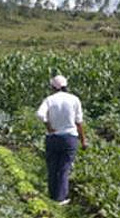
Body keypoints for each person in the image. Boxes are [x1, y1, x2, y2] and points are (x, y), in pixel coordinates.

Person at [36, 75, 87, 205]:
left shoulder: (49, 100)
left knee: (52, 166)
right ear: (66, 86)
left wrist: (49, 127)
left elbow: (40, 114)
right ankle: (61, 198)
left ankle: (52, 195)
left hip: (52, 138)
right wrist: (83, 140)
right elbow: (79, 122)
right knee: (64, 168)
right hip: (69, 137)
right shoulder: (74, 99)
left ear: (53, 87)